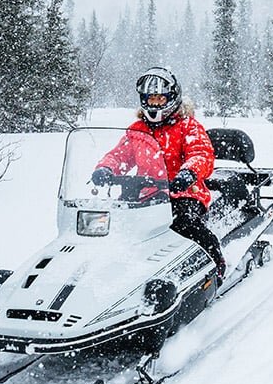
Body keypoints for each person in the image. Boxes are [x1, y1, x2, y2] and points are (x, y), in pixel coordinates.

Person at [91, 67, 226, 282]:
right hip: (144, 194)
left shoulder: (188, 126)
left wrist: (188, 172)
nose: (155, 104)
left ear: (171, 98)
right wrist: (106, 168)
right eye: (150, 99)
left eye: (160, 99)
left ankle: (215, 264)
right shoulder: (137, 129)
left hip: (184, 193)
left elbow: (201, 153)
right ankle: (103, 270)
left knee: (185, 225)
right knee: (111, 226)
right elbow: (120, 155)